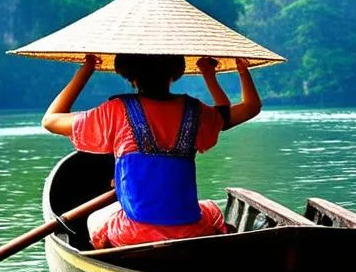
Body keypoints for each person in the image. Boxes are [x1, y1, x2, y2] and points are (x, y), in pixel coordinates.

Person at [41, 53, 262, 249]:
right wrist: (230, 71)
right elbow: (249, 107)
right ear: (175, 73)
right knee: (211, 210)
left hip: (133, 234)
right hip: (191, 230)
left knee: (93, 220)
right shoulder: (196, 111)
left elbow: (50, 120)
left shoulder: (115, 111)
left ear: (130, 77)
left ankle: (115, 261)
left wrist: (87, 68)